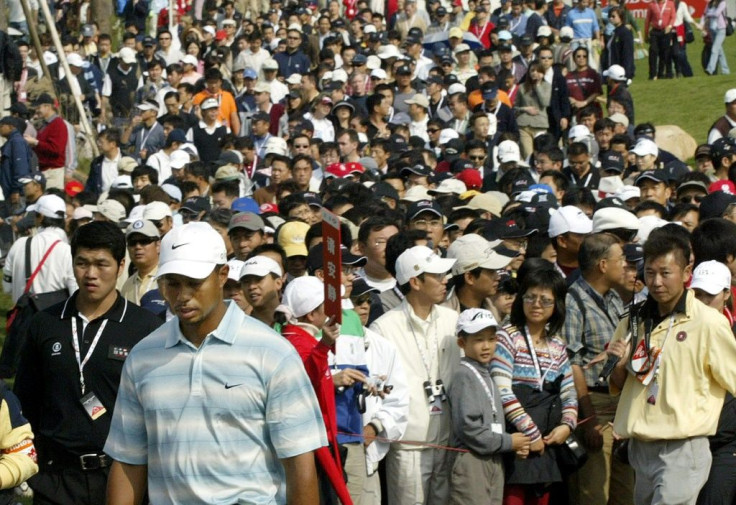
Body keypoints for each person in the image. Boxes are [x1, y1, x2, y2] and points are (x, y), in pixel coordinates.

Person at [104, 222, 326, 504]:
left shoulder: (273, 353)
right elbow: (128, 461)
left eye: (194, 283)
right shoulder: (142, 357)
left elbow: (300, 464)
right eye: (171, 283)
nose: (182, 295)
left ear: (222, 275)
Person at [14, 221, 163, 505]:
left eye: (101, 264)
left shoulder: (144, 328)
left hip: (120, 478)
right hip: (54, 478)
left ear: (121, 266)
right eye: (82, 263)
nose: (90, 274)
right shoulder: (45, 323)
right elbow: (26, 400)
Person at [606, 228, 736, 505]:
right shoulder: (634, 320)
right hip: (641, 446)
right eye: (650, 272)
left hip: (684, 446)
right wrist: (619, 363)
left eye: (666, 273)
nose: (656, 282)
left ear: (687, 272)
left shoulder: (709, 323)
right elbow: (618, 383)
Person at [369, 245, 460, 505]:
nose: (446, 281)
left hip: (449, 440)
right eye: (438, 276)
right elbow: (378, 389)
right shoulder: (384, 327)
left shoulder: (453, 320)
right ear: (415, 282)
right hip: (408, 446)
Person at [490, 265, 578, 505]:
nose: (537, 304)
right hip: (517, 440)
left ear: (557, 305)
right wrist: (531, 433)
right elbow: (502, 390)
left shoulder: (557, 345)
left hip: (548, 441)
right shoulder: (507, 336)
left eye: (545, 300)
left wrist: (567, 426)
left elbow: (569, 392)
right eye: (530, 297)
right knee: (512, 499)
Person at [563, 233, 635, 505]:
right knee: (593, 495)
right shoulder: (574, 301)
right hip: (594, 408)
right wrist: (589, 419)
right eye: (621, 259)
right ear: (603, 265)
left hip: (620, 411)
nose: (626, 265)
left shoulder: (615, 299)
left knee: (624, 495)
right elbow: (572, 363)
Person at [279, 276, 352, 505]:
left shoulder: (304, 339)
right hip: (312, 449)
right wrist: (324, 347)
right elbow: (303, 383)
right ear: (311, 314)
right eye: (327, 307)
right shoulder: (294, 342)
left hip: (323, 443)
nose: (334, 312)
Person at [448, 308, 531, 505]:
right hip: (472, 461)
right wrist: (509, 442)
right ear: (462, 343)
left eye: (491, 339)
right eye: (478, 340)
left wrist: (510, 444)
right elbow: (468, 427)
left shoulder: (487, 373)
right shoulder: (464, 375)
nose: (486, 346)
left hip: (493, 458)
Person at [2, 194, 77, 303]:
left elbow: (7, 287)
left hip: (24, 317)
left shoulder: (19, 244)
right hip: (55, 318)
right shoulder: (68, 251)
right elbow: (76, 294)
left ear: (41, 217)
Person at [23, 94, 67, 190]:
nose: (37, 110)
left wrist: (36, 142)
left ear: (47, 107)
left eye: (39, 107)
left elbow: (57, 149)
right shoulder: (45, 124)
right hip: (44, 171)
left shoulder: (58, 124)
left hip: (53, 172)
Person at [515, 62, 552, 159]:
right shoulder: (522, 87)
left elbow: (545, 103)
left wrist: (538, 86)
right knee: (528, 155)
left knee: (541, 154)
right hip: (524, 125)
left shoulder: (546, 86)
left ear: (543, 73)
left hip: (540, 125)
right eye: (532, 71)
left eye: (538, 71)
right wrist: (525, 109)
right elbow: (515, 107)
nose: (534, 73)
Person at [644, 0, 676, 80]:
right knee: (653, 51)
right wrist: (646, 34)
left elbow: (673, 17)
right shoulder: (652, 4)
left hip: (666, 32)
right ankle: (652, 74)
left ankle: (661, 73)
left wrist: (670, 26)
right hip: (655, 32)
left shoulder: (670, 4)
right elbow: (647, 20)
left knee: (664, 53)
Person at [702, 0, 730, 76]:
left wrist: (708, 14)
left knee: (714, 49)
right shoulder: (709, 4)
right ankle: (726, 71)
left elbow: (717, 13)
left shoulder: (722, 2)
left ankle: (710, 69)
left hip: (721, 29)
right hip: (712, 30)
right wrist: (702, 24)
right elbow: (704, 14)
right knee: (720, 51)